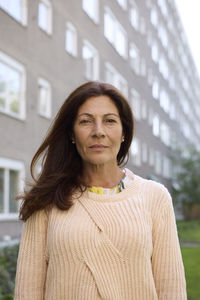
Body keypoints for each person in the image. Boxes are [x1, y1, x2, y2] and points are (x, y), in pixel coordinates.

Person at [14, 81, 187, 300]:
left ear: (124, 132)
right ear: (72, 134)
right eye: (86, 121)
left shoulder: (155, 197)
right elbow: (27, 292)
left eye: (110, 121)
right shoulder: (47, 198)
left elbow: (171, 290)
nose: (98, 132)